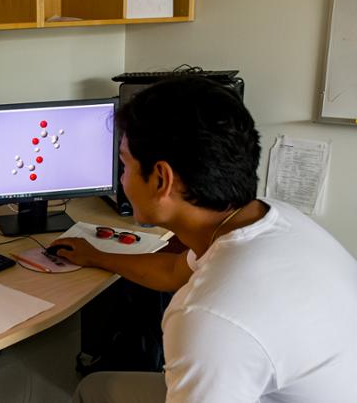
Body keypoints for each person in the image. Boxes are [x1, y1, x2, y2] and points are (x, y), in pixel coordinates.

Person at [50, 76, 357, 402]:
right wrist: (97, 256)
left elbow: (213, 315)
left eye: (124, 163)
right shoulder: (272, 219)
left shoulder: (208, 317)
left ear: (161, 179)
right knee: (96, 388)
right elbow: (174, 272)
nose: (121, 178)